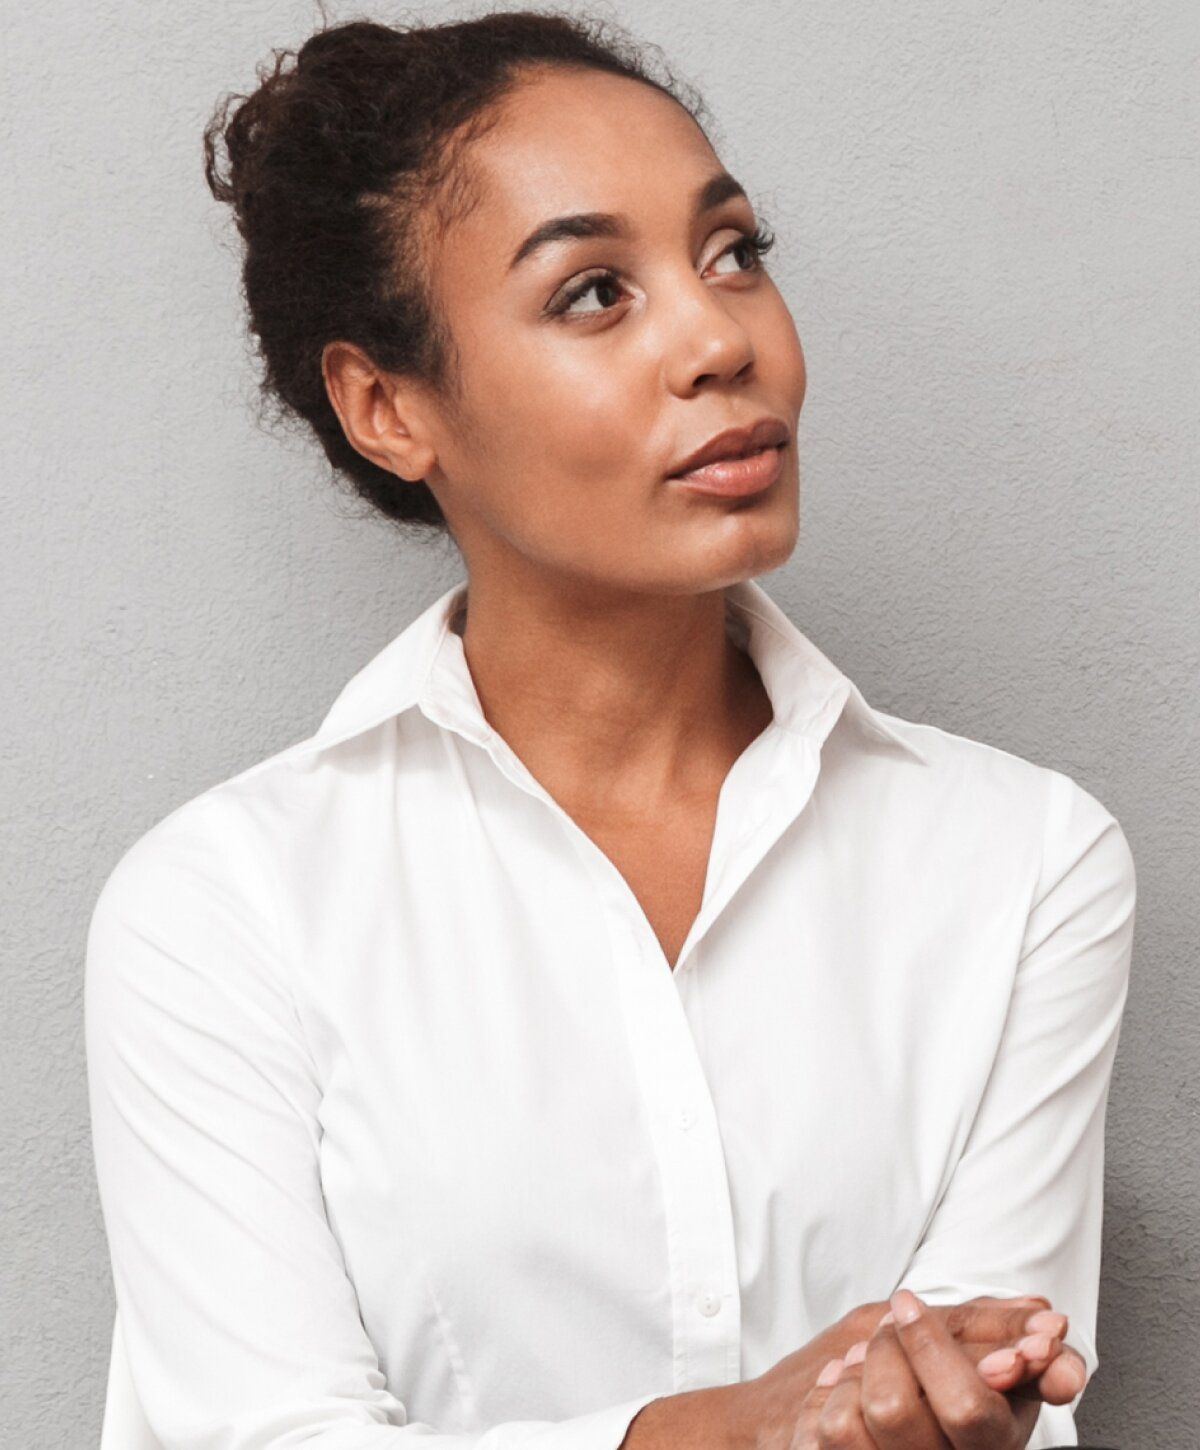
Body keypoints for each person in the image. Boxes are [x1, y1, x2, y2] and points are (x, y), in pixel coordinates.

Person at [84, 11, 1136, 1449]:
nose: (720, 338)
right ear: (388, 406)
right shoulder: (226, 910)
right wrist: (719, 1431)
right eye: (593, 293)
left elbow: (1001, 1401)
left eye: (733, 253)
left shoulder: (1024, 862)